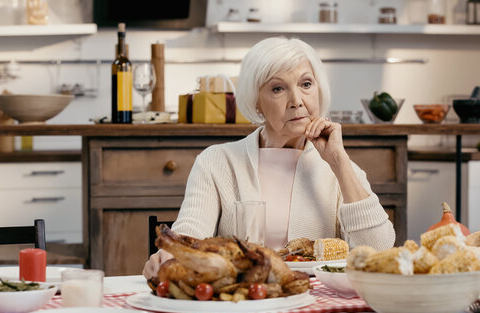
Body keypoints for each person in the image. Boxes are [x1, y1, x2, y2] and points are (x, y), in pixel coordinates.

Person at [143, 37, 395, 278]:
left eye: (306, 84)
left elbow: (380, 253)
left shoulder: (340, 168)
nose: (297, 101)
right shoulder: (216, 162)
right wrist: (169, 254)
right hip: (244, 302)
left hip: (316, 305)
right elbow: (190, 233)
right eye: (278, 88)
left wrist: (339, 162)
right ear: (256, 103)